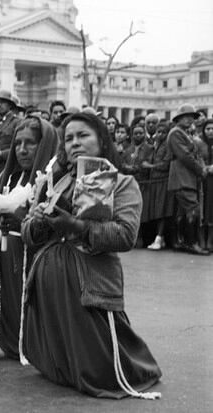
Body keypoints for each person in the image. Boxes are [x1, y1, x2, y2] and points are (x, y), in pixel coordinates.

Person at [20, 112, 162, 399]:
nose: (74, 143)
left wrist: (77, 226)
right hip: (50, 285)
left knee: (101, 369)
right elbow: (28, 233)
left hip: (89, 283)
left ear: (102, 140)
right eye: (68, 138)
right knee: (63, 367)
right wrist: (35, 221)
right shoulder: (55, 183)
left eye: (83, 135)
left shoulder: (122, 183)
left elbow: (125, 236)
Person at [0, 116, 57, 359]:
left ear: (43, 145)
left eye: (30, 143)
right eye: (18, 143)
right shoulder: (9, 177)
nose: (22, 150)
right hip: (6, 254)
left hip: (34, 255)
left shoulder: (52, 178)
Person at [168, 104, 211, 255]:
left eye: (192, 117)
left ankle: (181, 242)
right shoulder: (176, 133)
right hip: (182, 176)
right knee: (193, 209)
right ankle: (192, 244)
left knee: (183, 212)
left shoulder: (184, 133)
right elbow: (185, 156)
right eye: (186, 116)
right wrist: (201, 170)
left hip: (185, 176)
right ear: (178, 118)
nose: (190, 119)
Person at [146, 121, 174, 250]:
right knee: (157, 211)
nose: (160, 134)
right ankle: (159, 238)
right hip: (155, 181)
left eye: (164, 132)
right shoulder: (155, 145)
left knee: (162, 211)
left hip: (163, 181)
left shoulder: (168, 146)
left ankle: (159, 237)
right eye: (159, 132)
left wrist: (150, 166)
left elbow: (166, 164)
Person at [201, 119, 213, 250]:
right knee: (203, 209)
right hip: (202, 181)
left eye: (212, 129)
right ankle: (201, 239)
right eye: (207, 129)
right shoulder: (200, 144)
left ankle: (210, 240)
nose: (210, 131)